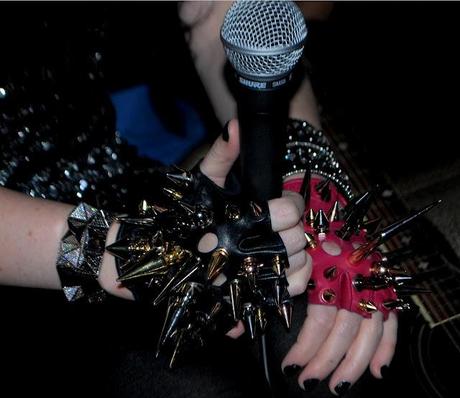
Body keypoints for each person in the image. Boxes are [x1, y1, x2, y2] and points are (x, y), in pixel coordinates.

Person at [0, 2, 397, 397]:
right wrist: (123, 252)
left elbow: (226, 16)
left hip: (131, 199)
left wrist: (306, 181)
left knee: (316, 338)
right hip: (29, 266)